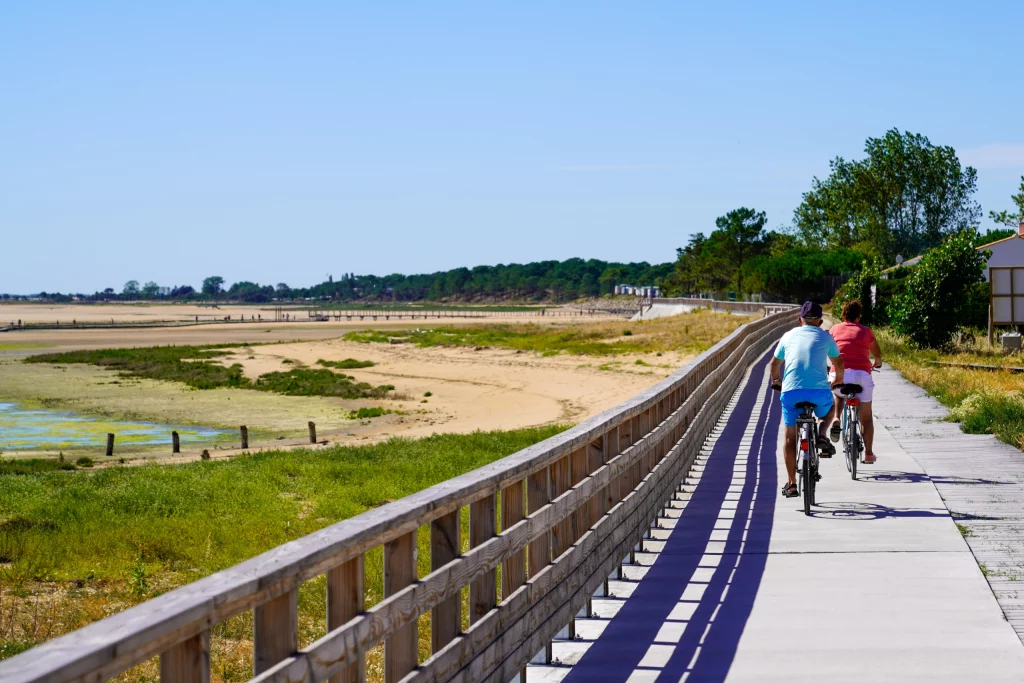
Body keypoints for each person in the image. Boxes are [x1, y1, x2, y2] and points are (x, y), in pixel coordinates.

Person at [770, 301, 844, 498]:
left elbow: (774, 364)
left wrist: (777, 381)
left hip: (791, 392)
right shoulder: (826, 337)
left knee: (789, 437)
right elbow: (839, 363)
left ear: (799, 319)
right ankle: (821, 434)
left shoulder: (788, 335)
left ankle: (792, 483)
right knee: (829, 410)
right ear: (820, 321)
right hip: (818, 392)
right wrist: (838, 381)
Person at [826, 300, 883, 464]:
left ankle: (837, 417)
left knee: (839, 391)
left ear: (843, 315)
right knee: (866, 418)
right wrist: (877, 362)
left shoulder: (835, 329)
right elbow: (876, 352)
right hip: (861, 375)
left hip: (839, 372)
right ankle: (869, 454)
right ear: (859, 316)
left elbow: (828, 349)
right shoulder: (866, 331)